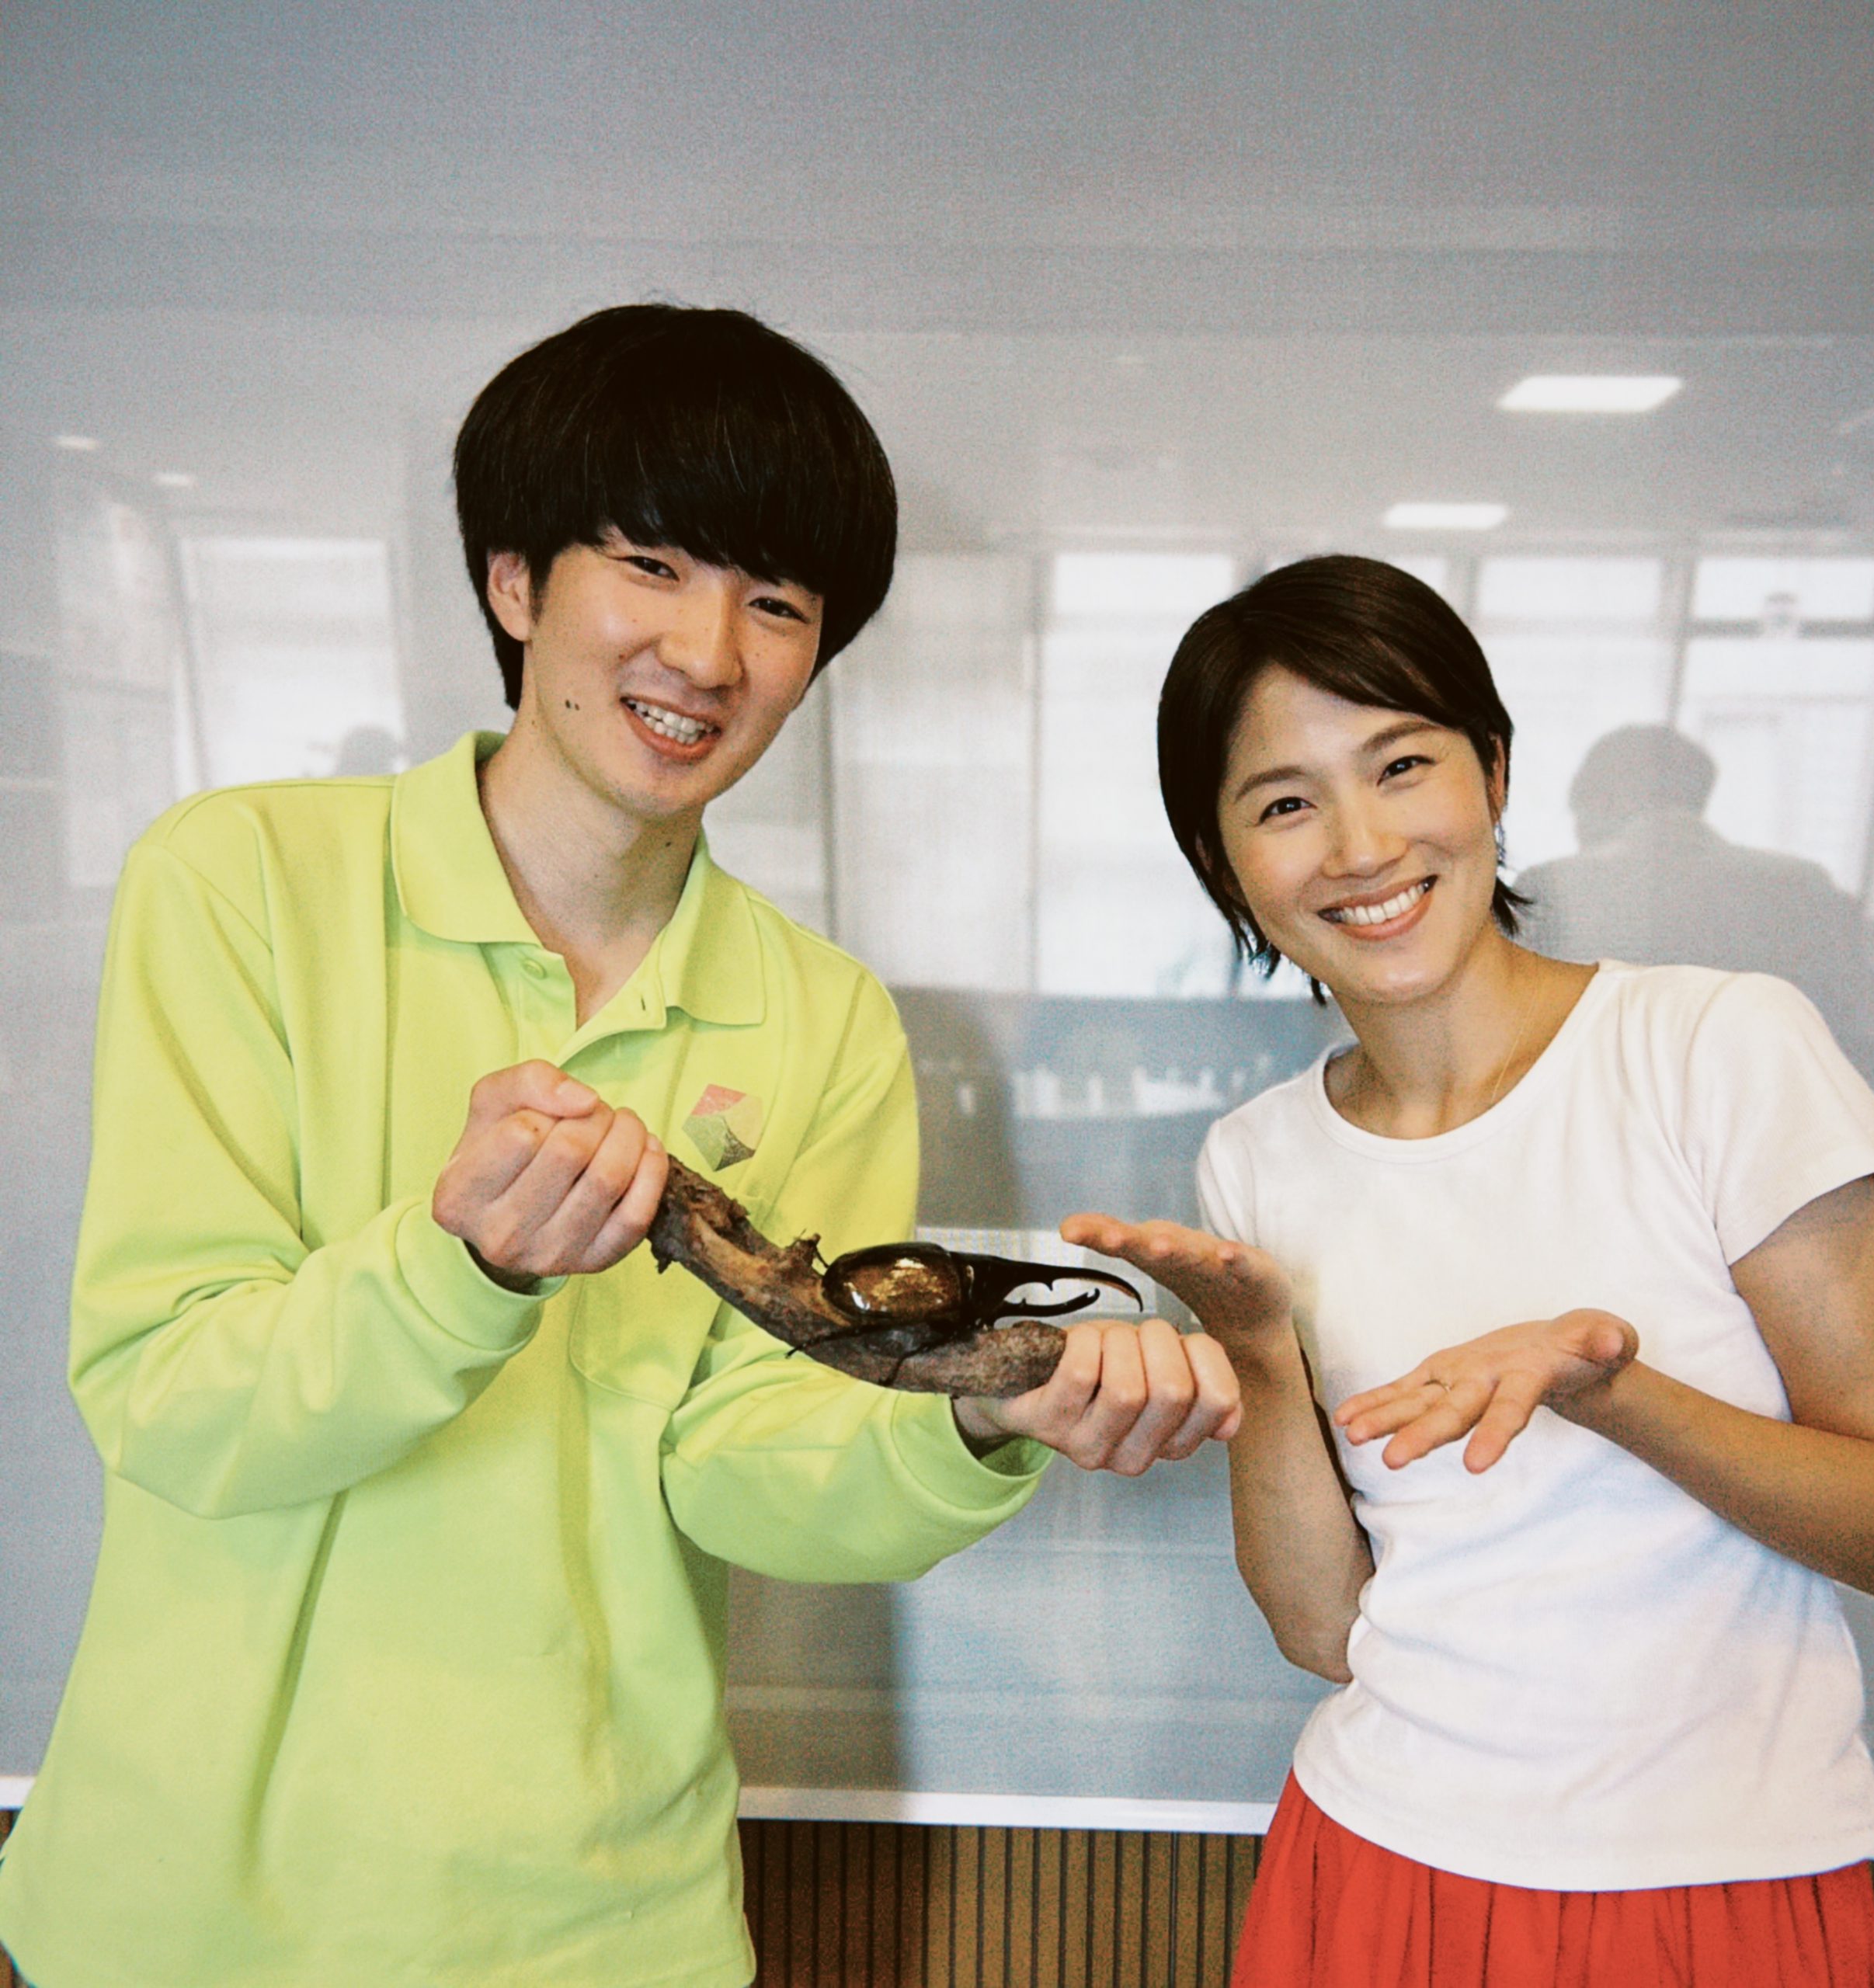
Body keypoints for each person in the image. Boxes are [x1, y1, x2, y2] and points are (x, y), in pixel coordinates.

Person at [0, 304, 1239, 1988]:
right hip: (196, 1915)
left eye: (776, 603)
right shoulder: (243, 882)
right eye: (651, 565)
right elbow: (169, 1397)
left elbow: (740, 1460)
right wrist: (459, 1270)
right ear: (514, 581)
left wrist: (971, 1411)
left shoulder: (817, 1013)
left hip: (605, 1920)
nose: (708, 653)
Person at [1066, 556, 1874, 1987]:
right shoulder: (1257, 1158)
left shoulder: (1719, 1049)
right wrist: (1259, 1354)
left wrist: (1609, 1393)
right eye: (1285, 804)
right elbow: (1323, 1631)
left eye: (1401, 766)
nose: (1361, 846)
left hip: (1713, 1881)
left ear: (1491, 772)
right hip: (1373, 1861)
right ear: (1223, 862)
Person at [1515, 723, 1872, 1044]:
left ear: (1603, 800)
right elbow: (1854, 1019)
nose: (1578, 833)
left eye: (1577, 811)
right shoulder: (1805, 885)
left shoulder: (1548, 887)